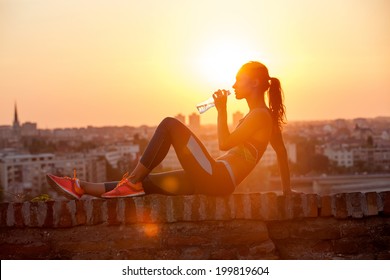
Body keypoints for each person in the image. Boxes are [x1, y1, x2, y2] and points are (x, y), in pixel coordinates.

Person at [46, 61, 293, 199]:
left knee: (169, 124)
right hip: (214, 178)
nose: (233, 85)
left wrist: (221, 111)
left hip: (218, 177)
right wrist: (287, 193)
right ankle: (81, 187)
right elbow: (281, 154)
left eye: (239, 80)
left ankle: (131, 181)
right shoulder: (261, 116)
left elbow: (225, 144)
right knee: (149, 184)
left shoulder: (260, 115)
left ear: (256, 83)